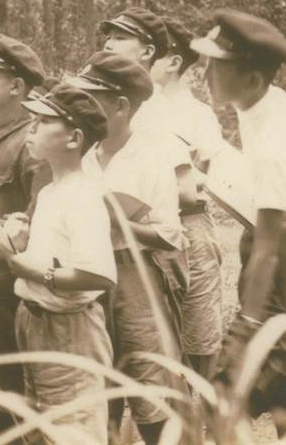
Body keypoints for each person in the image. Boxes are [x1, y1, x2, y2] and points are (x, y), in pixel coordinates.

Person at [192, 11, 286, 429]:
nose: (205, 77)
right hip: (279, 253)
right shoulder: (258, 102)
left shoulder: (276, 138)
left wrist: (246, 325)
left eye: (217, 67)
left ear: (252, 78)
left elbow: (270, 248)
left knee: (226, 399)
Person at [73, 51, 187, 445]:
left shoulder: (151, 156)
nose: (81, 108)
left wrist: (120, 222)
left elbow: (169, 234)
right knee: (97, 380)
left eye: (91, 100)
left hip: (136, 276)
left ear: (121, 106)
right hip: (89, 275)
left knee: (149, 381)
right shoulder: (85, 156)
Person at [9, 82, 116, 445]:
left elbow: (99, 274)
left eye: (42, 122)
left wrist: (33, 271)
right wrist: (22, 242)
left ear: (73, 138)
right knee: (41, 427)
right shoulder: (50, 192)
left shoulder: (83, 195)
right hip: (36, 321)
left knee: (73, 429)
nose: (31, 129)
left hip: (68, 330)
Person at [0, 34, 53, 435]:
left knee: (9, 398)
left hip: (8, 291)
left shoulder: (31, 144)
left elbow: (38, 225)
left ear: (16, 86)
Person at [151, 16, 226, 378]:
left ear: (173, 61)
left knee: (199, 332)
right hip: (146, 229)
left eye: (154, 53)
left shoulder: (198, 114)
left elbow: (201, 182)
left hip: (189, 227)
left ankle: (213, 423)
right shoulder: (140, 109)